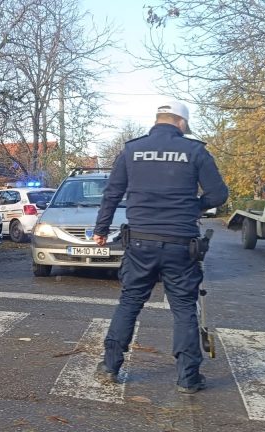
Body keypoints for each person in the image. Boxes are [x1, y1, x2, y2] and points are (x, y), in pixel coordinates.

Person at [92, 101, 228, 394]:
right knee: (183, 309)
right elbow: (218, 194)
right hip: (181, 244)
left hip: (140, 242)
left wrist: (100, 230)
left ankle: (110, 366)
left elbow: (112, 194)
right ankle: (188, 378)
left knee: (129, 303)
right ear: (181, 123)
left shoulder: (131, 150)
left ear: (157, 120)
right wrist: (194, 206)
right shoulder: (195, 151)